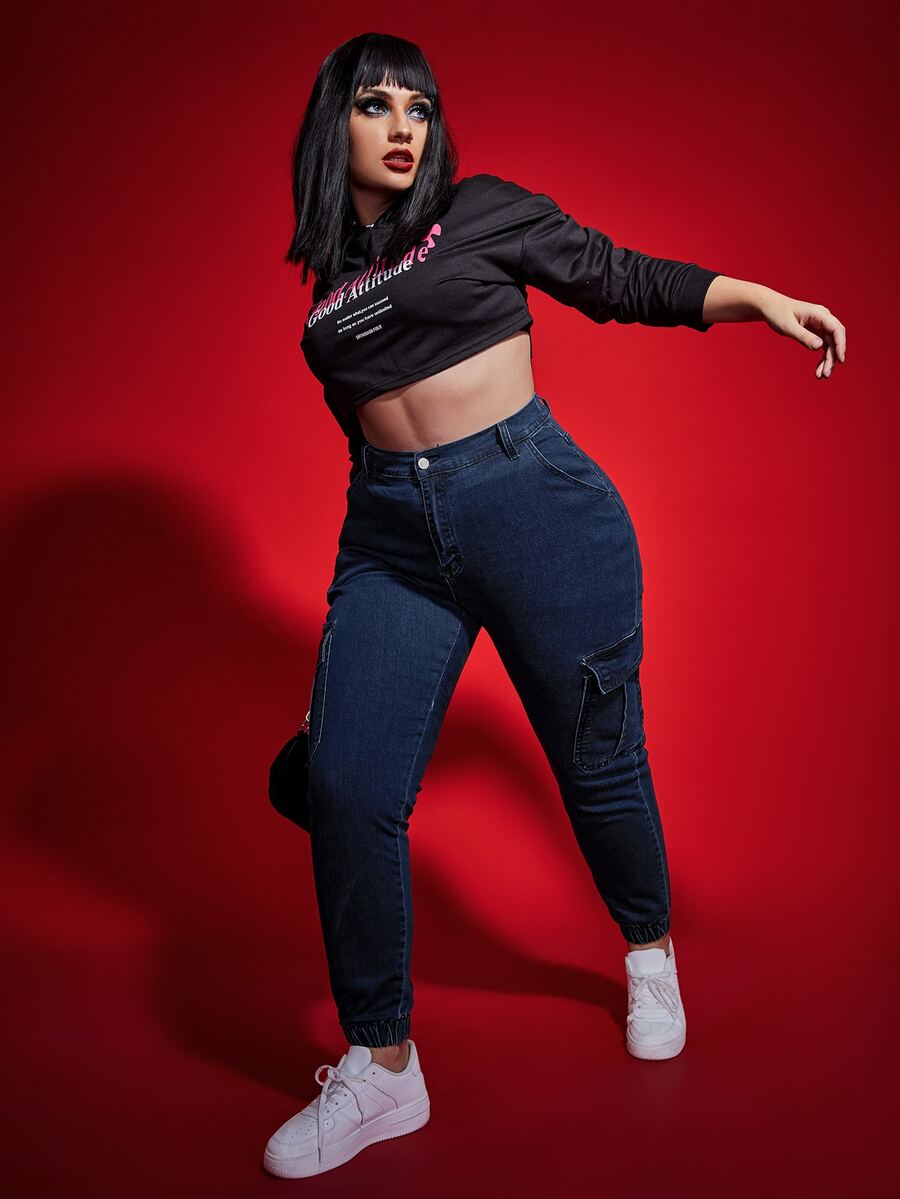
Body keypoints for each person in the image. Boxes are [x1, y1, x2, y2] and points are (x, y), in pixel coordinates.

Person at [263, 31, 846, 1180]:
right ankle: (383, 1066)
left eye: (419, 106)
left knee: (598, 765)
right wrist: (351, 629)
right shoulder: (328, 294)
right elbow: (372, 452)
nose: (402, 126)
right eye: (376, 104)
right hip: (393, 539)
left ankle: (649, 949)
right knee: (347, 784)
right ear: (335, 123)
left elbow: (620, 277)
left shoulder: (479, 211)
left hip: (539, 512)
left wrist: (756, 298)